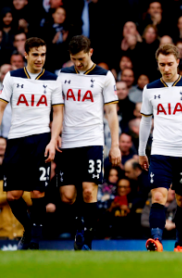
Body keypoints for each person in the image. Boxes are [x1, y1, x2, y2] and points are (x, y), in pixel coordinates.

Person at [139, 44, 182, 252]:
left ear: (177, 62)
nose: (166, 68)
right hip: (160, 152)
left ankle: (179, 243)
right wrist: (142, 150)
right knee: (158, 196)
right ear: (157, 64)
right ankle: (156, 240)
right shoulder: (150, 88)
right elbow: (145, 122)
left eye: (170, 64)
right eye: (162, 65)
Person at [57, 35, 121, 250]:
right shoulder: (63, 75)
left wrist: (115, 145)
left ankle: (87, 242)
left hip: (92, 140)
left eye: (81, 59)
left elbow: (111, 112)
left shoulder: (105, 76)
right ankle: (78, 230)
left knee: (88, 191)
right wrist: (55, 133)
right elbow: (58, 109)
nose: (78, 63)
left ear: (90, 52)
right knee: (67, 196)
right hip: (67, 141)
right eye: (74, 59)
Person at [0, 37, 63, 249]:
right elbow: (0, 108)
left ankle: (35, 240)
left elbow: (58, 112)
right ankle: (29, 229)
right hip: (16, 140)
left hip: (41, 139)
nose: (39, 59)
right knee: (12, 195)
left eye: (43, 54)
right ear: (25, 54)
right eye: (35, 54)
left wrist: (53, 140)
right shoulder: (12, 77)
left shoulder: (53, 79)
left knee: (38, 192)